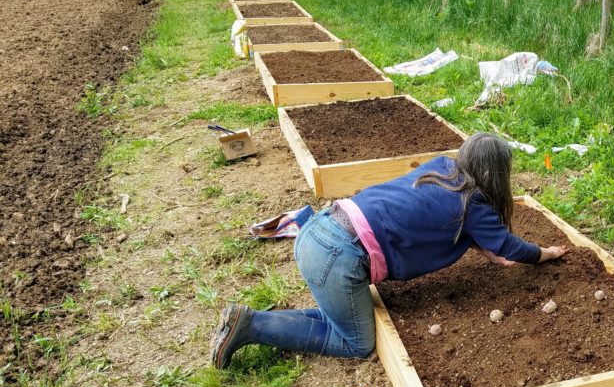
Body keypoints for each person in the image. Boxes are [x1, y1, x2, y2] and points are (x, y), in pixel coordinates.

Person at [210, 133, 567, 368]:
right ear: (496, 175)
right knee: (357, 343)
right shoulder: (474, 206)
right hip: (339, 257)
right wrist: (545, 253)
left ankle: (249, 320)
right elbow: (508, 246)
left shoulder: (443, 168)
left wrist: (480, 243)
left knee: (343, 318)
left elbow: (433, 214)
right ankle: (252, 326)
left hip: (318, 229)